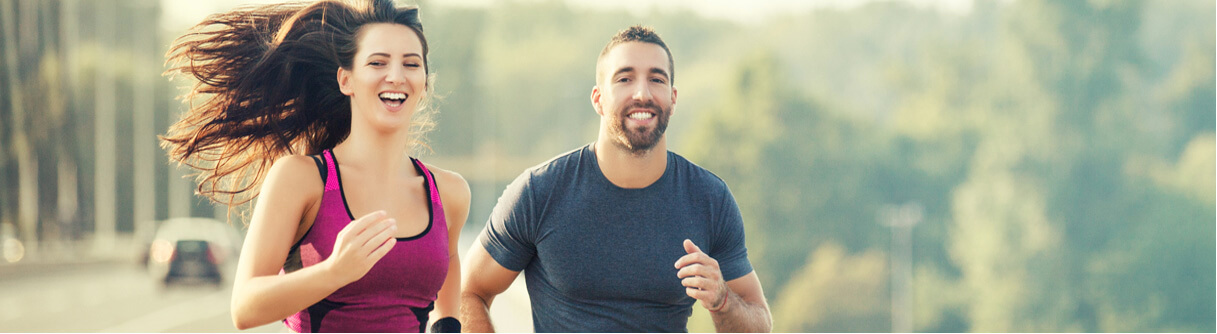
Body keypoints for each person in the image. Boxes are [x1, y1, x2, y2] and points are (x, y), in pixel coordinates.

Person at [159, 0, 468, 332]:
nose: (396, 76)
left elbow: (448, 277)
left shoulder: (448, 193)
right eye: (378, 62)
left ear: (424, 83)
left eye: (411, 64)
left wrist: (448, 326)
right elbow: (244, 307)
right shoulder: (302, 179)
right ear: (346, 80)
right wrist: (334, 271)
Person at [459, 25, 773, 332]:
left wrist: (722, 300)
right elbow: (469, 292)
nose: (642, 93)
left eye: (656, 79)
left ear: (673, 98)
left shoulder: (709, 198)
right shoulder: (539, 192)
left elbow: (759, 322)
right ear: (598, 98)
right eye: (625, 78)